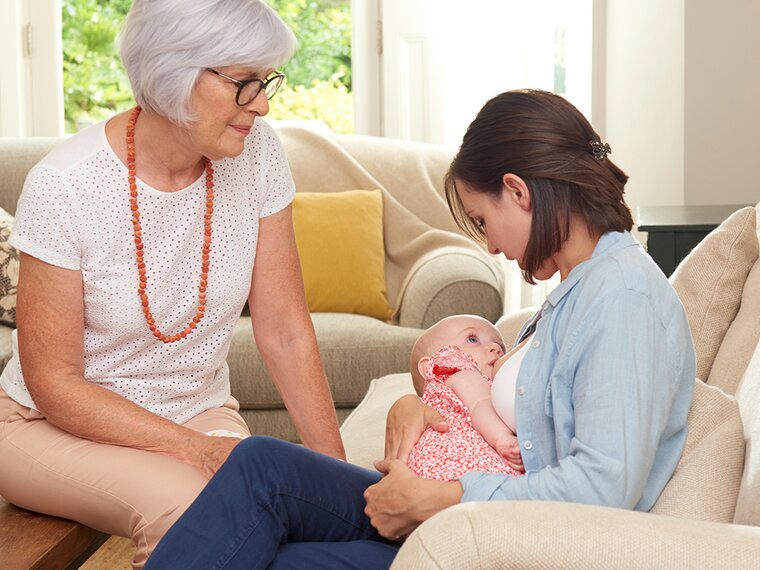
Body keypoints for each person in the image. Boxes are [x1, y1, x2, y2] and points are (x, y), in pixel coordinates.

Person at [144, 89, 696, 569]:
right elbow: (507, 402)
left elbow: (603, 489)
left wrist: (445, 497)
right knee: (260, 463)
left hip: (498, 540)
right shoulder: (581, 286)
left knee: (277, 557)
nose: (491, 246)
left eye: (482, 220)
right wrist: (418, 404)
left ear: (518, 191)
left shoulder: (622, 296)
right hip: (468, 513)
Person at [0, 1, 345, 567]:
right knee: (199, 511)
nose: (260, 104)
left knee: (291, 515)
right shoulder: (65, 185)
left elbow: (284, 331)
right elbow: (54, 384)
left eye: (266, 82)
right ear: (171, 74)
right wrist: (196, 450)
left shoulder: (257, 152)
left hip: (198, 411)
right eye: (243, 83)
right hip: (47, 427)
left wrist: (338, 482)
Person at [406, 314, 526, 480]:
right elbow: (480, 405)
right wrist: (502, 438)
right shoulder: (463, 375)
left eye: (500, 346)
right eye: (472, 339)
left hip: (426, 474)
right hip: (460, 466)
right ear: (431, 365)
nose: (495, 348)